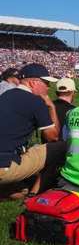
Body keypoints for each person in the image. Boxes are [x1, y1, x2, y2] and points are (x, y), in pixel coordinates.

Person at [0, 64, 66, 200]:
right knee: (59, 147)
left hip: (5, 158)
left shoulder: (5, 95)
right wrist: (51, 107)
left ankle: (23, 190)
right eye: (46, 83)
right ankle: (34, 195)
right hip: (4, 165)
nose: (48, 87)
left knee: (21, 189)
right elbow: (53, 137)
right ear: (33, 83)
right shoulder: (36, 101)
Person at [40, 78, 76, 144]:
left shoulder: (46, 106)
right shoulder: (74, 111)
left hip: (46, 148)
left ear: (56, 93)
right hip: (64, 150)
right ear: (73, 93)